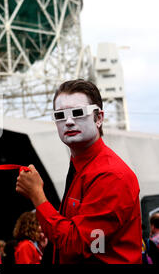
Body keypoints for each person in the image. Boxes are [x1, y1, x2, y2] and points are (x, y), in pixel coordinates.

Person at [15, 79, 142, 264]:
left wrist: (37, 196)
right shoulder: (81, 167)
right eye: (60, 115)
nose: (68, 122)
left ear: (98, 118)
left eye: (78, 113)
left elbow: (75, 244)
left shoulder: (111, 176)